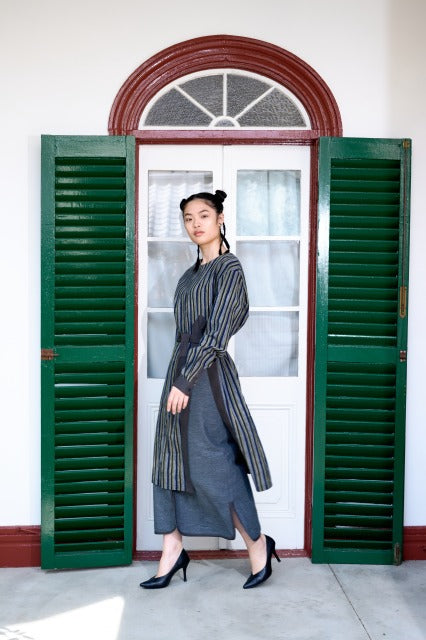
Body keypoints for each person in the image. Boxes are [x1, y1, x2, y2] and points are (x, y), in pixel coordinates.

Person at [140, 190, 280, 590]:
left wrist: (186, 380)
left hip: (205, 376)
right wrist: (178, 376)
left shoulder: (229, 268)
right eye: (188, 218)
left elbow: (217, 333)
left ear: (220, 219)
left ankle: (258, 545)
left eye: (203, 215)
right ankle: (172, 548)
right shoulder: (188, 277)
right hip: (180, 371)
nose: (195, 223)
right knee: (168, 458)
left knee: (213, 464)